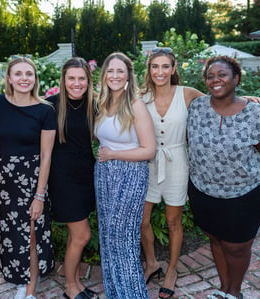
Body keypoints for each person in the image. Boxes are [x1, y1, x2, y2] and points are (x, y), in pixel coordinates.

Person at [140, 48, 260, 299]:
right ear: (149, 70)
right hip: (149, 163)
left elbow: (219, 98)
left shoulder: (187, 94)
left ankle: (172, 271)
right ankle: (152, 263)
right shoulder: (141, 96)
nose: (160, 72)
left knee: (173, 221)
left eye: (166, 66)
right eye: (155, 66)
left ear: (174, 69)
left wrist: (248, 98)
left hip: (177, 163)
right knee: (142, 221)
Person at [187, 56, 260, 299]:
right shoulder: (196, 107)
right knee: (216, 240)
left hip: (244, 194)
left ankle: (235, 292)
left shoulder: (256, 115)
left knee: (236, 247)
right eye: (210, 76)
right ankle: (224, 289)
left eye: (222, 75)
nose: (215, 80)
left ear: (236, 78)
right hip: (203, 191)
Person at [0, 57, 56, 299]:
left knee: (31, 233)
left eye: (29, 74)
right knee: (9, 233)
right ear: (8, 78)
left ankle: (29, 290)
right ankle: (20, 279)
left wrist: (39, 194)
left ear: (35, 79)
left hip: (31, 180)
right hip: (1, 182)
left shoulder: (44, 110)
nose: (24, 78)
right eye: (18, 74)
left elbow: (46, 155)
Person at [94, 52, 156, 299]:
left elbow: (149, 149)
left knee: (124, 241)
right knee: (108, 239)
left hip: (130, 174)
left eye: (120, 71)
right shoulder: (102, 103)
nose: (115, 76)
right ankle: (115, 293)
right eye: (110, 71)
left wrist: (113, 155)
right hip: (104, 175)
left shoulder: (136, 105)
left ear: (129, 76)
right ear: (104, 75)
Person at [46, 57, 98, 299]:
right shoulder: (51, 106)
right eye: (71, 78)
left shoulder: (95, 104)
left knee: (75, 235)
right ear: (63, 80)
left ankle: (75, 282)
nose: (76, 83)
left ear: (88, 80)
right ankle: (69, 287)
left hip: (87, 177)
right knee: (82, 235)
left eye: (81, 78)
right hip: (62, 179)